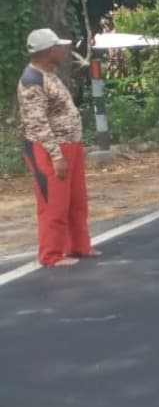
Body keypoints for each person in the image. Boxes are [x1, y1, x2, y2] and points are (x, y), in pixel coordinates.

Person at [18, 28, 98, 267]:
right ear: (47, 50)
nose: (62, 50)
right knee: (54, 203)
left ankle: (79, 245)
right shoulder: (32, 81)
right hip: (49, 149)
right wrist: (55, 155)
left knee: (76, 200)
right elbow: (37, 123)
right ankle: (51, 255)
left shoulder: (49, 74)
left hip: (70, 144)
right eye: (58, 46)